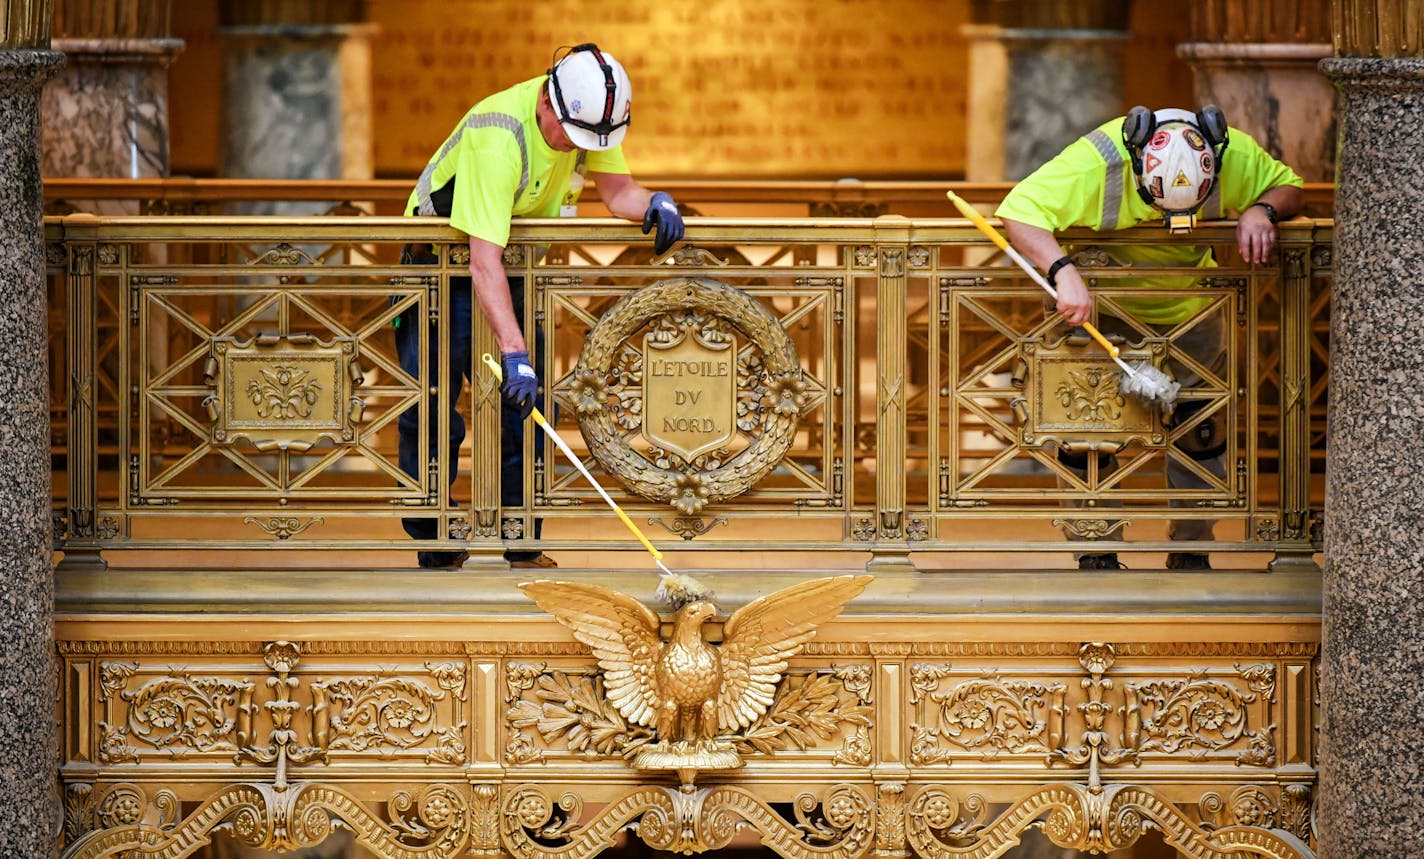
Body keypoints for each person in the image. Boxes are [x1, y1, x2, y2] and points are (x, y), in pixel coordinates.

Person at [397, 43, 685, 569]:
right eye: (572, 138)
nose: (578, 148)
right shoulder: (498, 135)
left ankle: (523, 543)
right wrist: (514, 353)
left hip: (517, 268)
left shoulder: (590, 112)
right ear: (549, 104)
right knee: (435, 411)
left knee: (528, 411)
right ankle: (436, 541)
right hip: (442, 275)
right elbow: (482, 260)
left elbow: (617, 190)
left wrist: (656, 202)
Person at [995, 105, 1303, 570]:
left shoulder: (1230, 151)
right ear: (1138, 163)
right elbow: (1018, 211)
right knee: (1085, 435)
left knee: (1202, 434)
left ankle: (1193, 549)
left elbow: (1289, 187)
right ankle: (1096, 552)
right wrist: (1063, 273)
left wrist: (1263, 210)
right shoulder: (1095, 162)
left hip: (1190, 309)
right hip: (1096, 310)